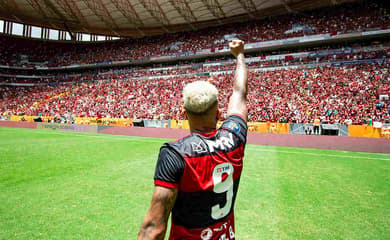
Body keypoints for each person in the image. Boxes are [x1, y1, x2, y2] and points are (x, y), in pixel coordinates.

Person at [138, 39, 248, 240]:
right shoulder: (234, 138)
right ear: (218, 113)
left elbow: (153, 228)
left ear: (183, 113)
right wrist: (240, 56)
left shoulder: (175, 154)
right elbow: (239, 94)